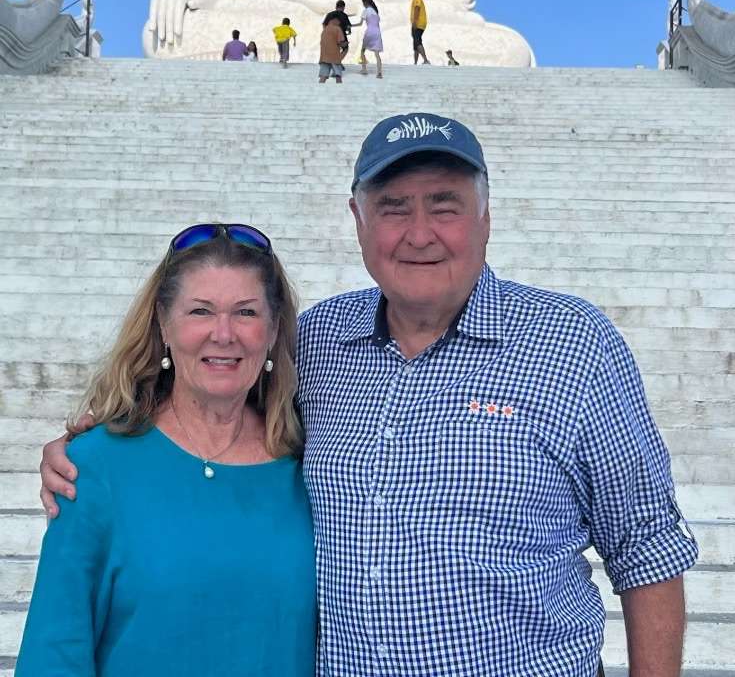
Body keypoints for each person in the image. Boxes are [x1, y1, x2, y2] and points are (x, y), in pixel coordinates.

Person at [41, 115, 698, 677]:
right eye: (392, 209)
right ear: (357, 221)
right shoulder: (322, 341)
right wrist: (101, 445)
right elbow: (216, 378)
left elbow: (646, 550)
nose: (418, 233)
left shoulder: (572, 346)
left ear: (485, 218)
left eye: (444, 205)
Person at [23, 223, 316, 677]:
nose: (223, 334)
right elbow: (55, 650)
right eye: (200, 311)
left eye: (246, 313)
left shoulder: (314, 464)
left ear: (274, 328)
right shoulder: (93, 467)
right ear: (163, 323)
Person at [351, 0, 383, 79]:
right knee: (377, 54)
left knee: (362, 51)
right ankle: (379, 73)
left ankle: (364, 69)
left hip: (369, 32)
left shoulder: (366, 11)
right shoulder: (375, 11)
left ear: (365, 2)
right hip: (377, 32)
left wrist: (351, 25)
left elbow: (360, 24)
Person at [318, 16, 345, 85]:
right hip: (334, 56)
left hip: (324, 56)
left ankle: (319, 91)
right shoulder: (337, 28)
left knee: (323, 76)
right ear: (336, 21)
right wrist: (345, 45)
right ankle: (339, 91)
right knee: (338, 75)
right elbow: (340, 41)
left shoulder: (325, 29)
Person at [409, 0, 430, 64]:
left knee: (417, 42)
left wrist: (414, 22)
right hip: (419, 24)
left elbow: (417, 9)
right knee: (415, 43)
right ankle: (415, 62)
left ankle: (425, 60)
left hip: (418, 24)